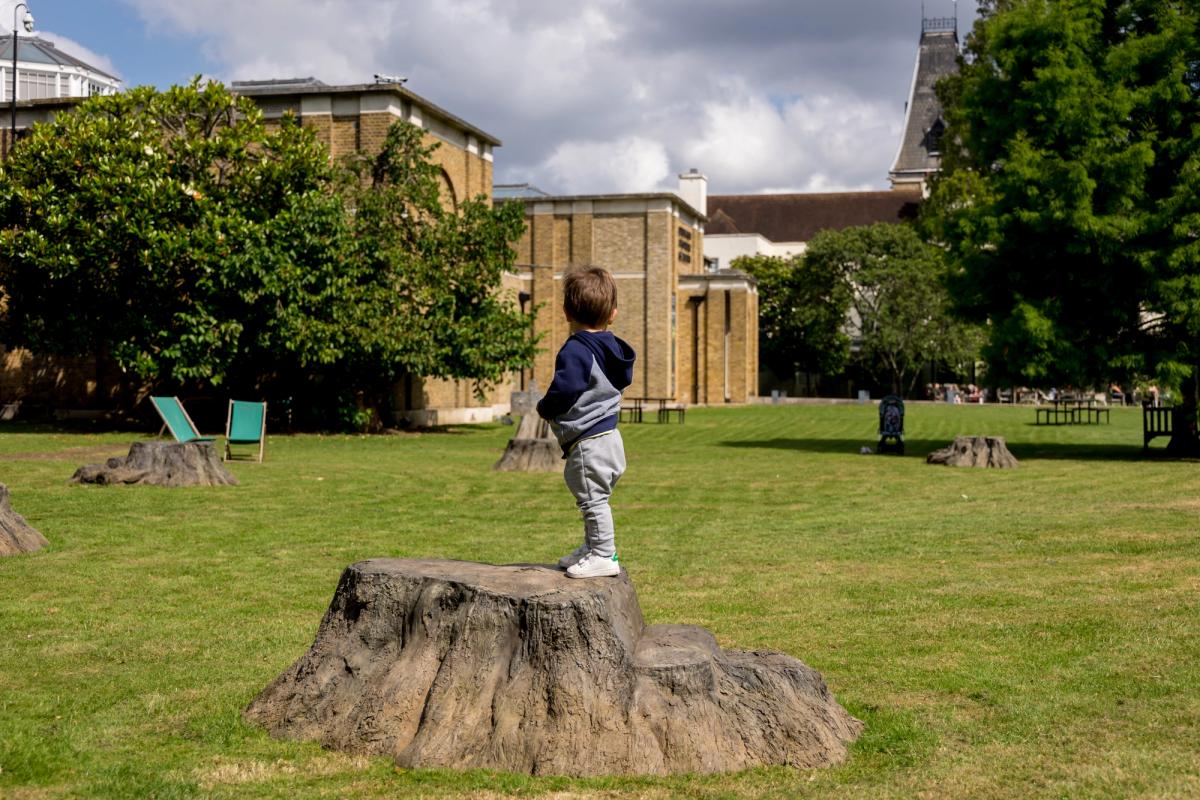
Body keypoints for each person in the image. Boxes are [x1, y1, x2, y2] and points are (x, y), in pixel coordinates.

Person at [536, 266, 636, 579]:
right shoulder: (613, 349)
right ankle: (593, 547)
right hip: (610, 438)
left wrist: (545, 407)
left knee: (594, 501)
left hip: (589, 443)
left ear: (566, 312)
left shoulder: (576, 349)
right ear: (613, 314)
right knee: (592, 499)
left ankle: (604, 554)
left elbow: (566, 388)